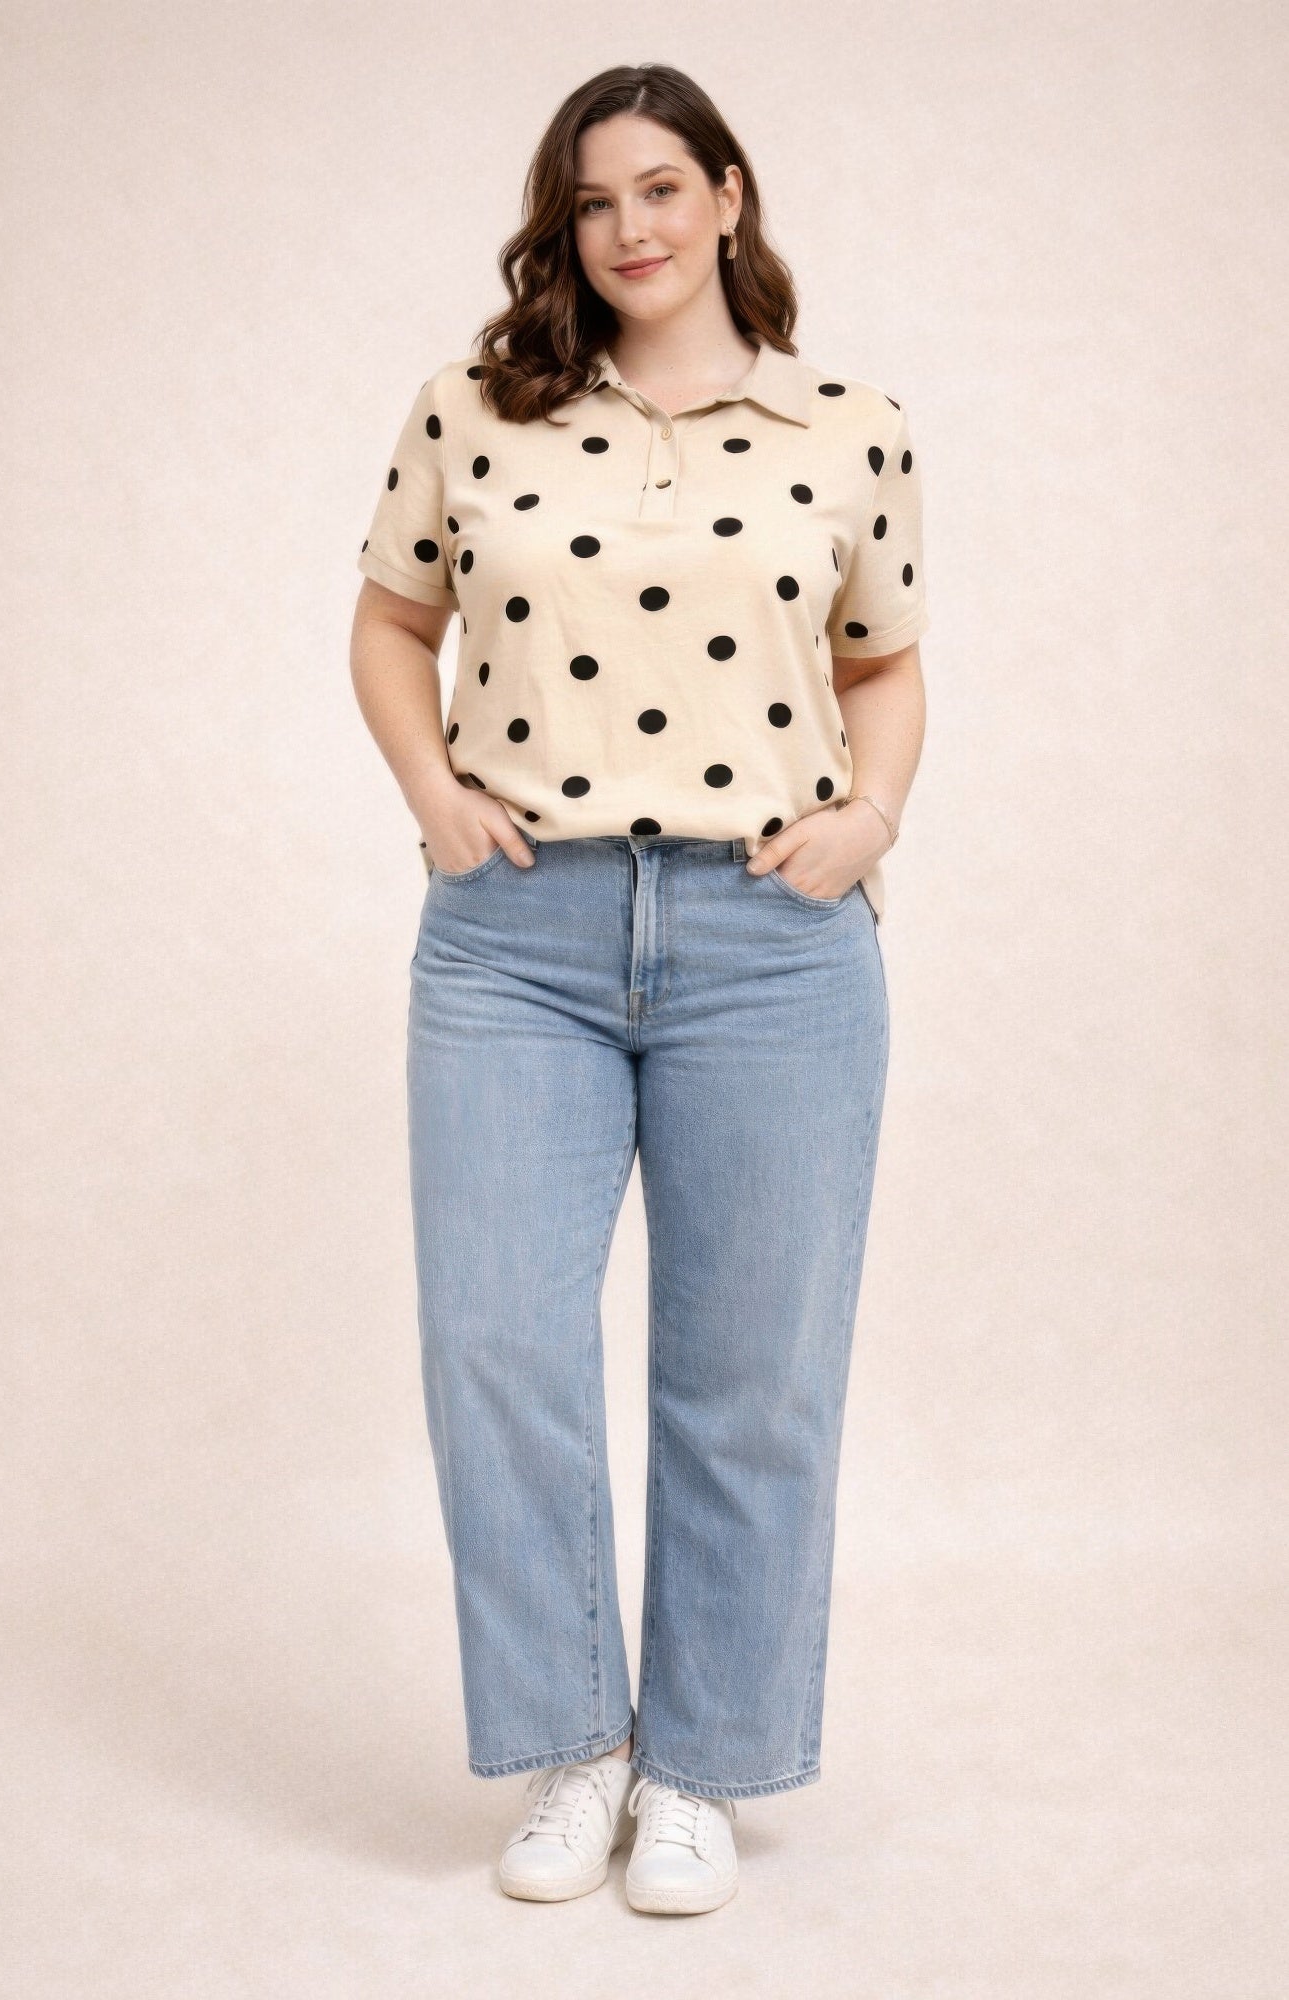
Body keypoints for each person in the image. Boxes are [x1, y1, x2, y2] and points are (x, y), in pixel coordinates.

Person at [348, 62, 929, 1917]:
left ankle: (698, 1765)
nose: (632, 230)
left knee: (751, 1379)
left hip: (772, 942)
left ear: (731, 197)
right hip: (517, 939)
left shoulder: (846, 424)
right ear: (565, 226)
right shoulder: (479, 407)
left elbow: (886, 658)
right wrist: (434, 800)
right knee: (496, 1350)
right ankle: (574, 1743)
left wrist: (874, 815)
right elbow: (389, 619)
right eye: (595, 202)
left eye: (664, 188)